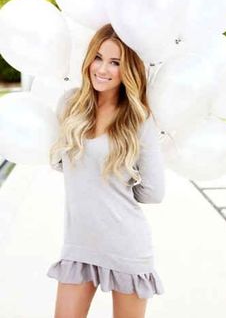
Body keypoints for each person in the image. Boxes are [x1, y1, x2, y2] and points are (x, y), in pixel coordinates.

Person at [47, 23, 166, 318]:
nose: (102, 68)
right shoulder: (70, 104)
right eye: (98, 57)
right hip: (79, 245)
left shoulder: (138, 119)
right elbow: (59, 162)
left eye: (115, 62)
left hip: (125, 245)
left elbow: (153, 193)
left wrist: (122, 173)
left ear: (128, 70)